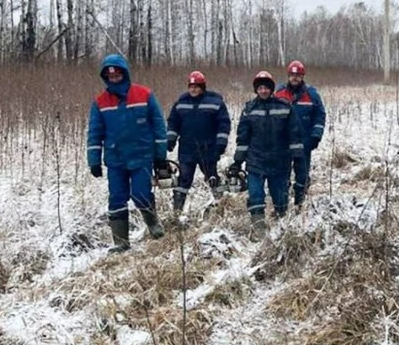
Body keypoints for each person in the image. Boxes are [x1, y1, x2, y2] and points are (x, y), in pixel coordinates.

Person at [87, 53, 169, 253]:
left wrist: (160, 155)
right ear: (105, 78)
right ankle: (121, 242)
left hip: (141, 156)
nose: (114, 79)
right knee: (116, 198)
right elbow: (95, 133)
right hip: (116, 160)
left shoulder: (145, 95)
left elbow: (159, 126)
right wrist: (94, 161)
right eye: (110, 76)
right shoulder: (100, 103)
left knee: (140, 195)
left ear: (124, 74)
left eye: (117, 75)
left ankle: (153, 224)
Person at [228, 70, 305, 230]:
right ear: (256, 90)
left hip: (280, 162)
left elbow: (294, 134)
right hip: (255, 161)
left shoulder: (285, 107)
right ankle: (259, 228)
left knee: (281, 200)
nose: (263, 91)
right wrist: (237, 161)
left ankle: (281, 228)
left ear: (271, 89)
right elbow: (243, 138)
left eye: (266, 88)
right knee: (256, 196)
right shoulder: (249, 109)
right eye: (260, 88)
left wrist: (297, 156)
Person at [166, 71, 232, 213]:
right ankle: (176, 212)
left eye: (196, 86)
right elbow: (173, 123)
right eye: (191, 86)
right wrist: (170, 139)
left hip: (208, 148)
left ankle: (220, 206)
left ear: (202, 87)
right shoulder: (181, 103)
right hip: (187, 149)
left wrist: (221, 142)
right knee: (183, 180)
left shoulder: (215, 102)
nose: (193, 89)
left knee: (212, 178)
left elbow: (224, 123)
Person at [274, 60, 326, 207]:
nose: (295, 78)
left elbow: (319, 115)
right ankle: (282, 205)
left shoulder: (312, 94)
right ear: (288, 76)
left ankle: (300, 203)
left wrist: (316, 135)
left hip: (304, 142)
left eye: (298, 75)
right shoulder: (279, 93)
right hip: (283, 142)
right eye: (292, 75)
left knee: (302, 175)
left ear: (303, 76)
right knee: (282, 175)